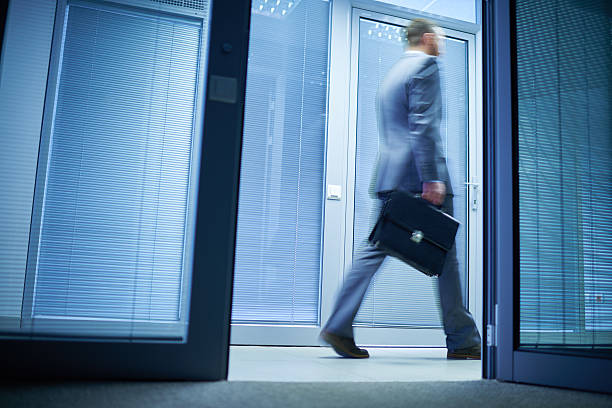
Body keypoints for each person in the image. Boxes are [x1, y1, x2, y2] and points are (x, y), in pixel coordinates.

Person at [320, 18, 481, 360]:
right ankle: (463, 340)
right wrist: (431, 178)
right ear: (426, 39)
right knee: (446, 254)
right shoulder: (426, 66)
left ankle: (338, 324)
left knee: (375, 248)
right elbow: (423, 124)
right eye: (441, 37)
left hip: (390, 176)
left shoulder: (393, 74)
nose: (443, 44)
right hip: (419, 179)